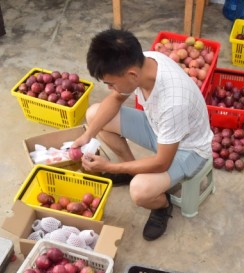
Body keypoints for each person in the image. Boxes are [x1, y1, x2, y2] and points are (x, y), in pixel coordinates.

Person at [71, 29, 213, 241]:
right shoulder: (145, 61)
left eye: (111, 83)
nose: (110, 88)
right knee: (94, 115)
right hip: (159, 128)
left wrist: (109, 167)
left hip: (188, 150)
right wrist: (87, 136)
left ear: (131, 75)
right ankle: (132, 172)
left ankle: (162, 206)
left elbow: (161, 163)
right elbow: (116, 98)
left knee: (140, 191)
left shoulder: (174, 101)